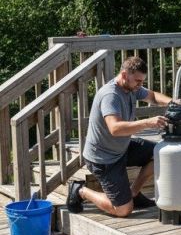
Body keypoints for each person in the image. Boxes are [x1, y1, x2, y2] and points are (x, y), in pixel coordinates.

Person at [67, 56, 173, 217]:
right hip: (104, 159)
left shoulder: (131, 88)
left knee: (160, 152)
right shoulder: (111, 95)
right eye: (137, 81)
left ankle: (134, 193)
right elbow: (115, 128)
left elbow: (152, 96)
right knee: (123, 210)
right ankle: (80, 190)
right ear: (124, 75)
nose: (140, 85)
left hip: (121, 148)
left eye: (142, 81)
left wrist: (173, 103)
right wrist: (148, 122)